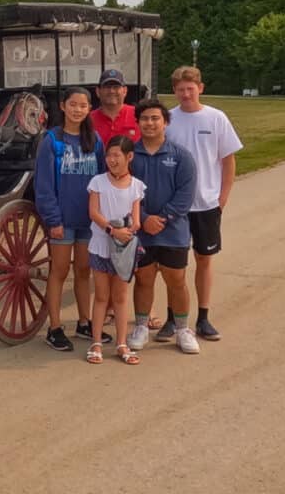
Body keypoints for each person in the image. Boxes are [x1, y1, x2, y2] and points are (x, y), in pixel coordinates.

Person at [157, 65, 243, 342]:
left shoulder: (216, 118)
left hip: (206, 203)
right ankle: (173, 318)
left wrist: (222, 198)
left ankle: (204, 318)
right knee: (174, 266)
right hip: (175, 206)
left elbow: (228, 160)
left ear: (200, 88)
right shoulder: (168, 120)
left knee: (204, 259)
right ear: (174, 91)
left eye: (190, 89)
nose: (186, 94)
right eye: (180, 89)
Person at [35, 86, 109, 352]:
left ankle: (84, 321)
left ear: (90, 109)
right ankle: (54, 327)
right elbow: (44, 186)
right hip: (62, 220)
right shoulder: (52, 141)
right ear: (63, 106)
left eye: (83, 105)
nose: (78, 110)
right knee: (59, 271)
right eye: (73, 104)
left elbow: (103, 179)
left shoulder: (95, 140)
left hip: (88, 219)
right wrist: (53, 220)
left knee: (83, 270)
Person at [127, 99, 200, 355]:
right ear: (138, 123)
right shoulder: (130, 155)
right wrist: (144, 218)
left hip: (173, 230)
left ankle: (182, 330)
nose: (150, 123)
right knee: (143, 279)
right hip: (141, 229)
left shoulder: (181, 156)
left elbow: (185, 195)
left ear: (165, 122)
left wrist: (163, 218)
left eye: (155, 118)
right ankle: (141, 327)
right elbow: (123, 190)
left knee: (176, 280)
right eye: (144, 118)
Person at [85, 135, 146, 364]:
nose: (112, 160)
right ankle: (96, 342)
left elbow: (137, 220)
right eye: (109, 155)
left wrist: (127, 230)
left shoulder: (136, 186)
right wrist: (112, 230)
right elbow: (94, 213)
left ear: (129, 157)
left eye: (116, 155)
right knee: (101, 296)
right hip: (101, 245)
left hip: (123, 249)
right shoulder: (98, 182)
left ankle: (122, 343)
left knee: (120, 297)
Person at [90, 68, 139, 145]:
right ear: (98, 91)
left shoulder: (139, 115)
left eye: (116, 87)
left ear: (125, 91)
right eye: (107, 87)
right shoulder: (88, 120)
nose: (111, 91)